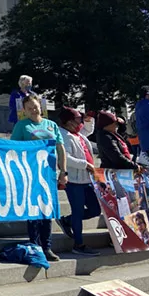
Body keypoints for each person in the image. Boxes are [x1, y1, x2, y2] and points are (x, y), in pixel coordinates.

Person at [10, 94, 68, 262]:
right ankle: (36, 246)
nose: (34, 110)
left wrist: (63, 171)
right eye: (29, 108)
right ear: (24, 111)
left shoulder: (51, 125)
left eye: (35, 107)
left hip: (48, 174)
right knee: (34, 211)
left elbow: (60, 148)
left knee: (47, 210)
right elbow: (13, 149)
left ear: (40, 107)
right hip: (30, 174)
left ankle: (47, 246)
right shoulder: (21, 126)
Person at [55, 107, 101, 256]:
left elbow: (87, 131)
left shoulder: (76, 133)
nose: (80, 123)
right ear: (67, 122)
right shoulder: (63, 135)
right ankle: (78, 243)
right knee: (78, 210)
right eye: (77, 120)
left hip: (86, 179)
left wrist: (89, 121)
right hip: (74, 180)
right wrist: (85, 164)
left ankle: (67, 221)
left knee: (95, 209)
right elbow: (65, 157)